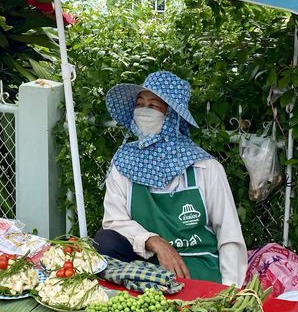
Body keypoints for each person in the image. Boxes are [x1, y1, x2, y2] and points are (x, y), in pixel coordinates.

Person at [94, 71, 247, 286]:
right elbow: (113, 221)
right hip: (146, 264)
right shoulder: (124, 162)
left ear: (172, 116)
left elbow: (228, 232)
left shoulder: (205, 167)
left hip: (198, 263)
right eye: (140, 104)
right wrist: (154, 241)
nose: (144, 111)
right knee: (104, 241)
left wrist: (232, 289)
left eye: (154, 106)